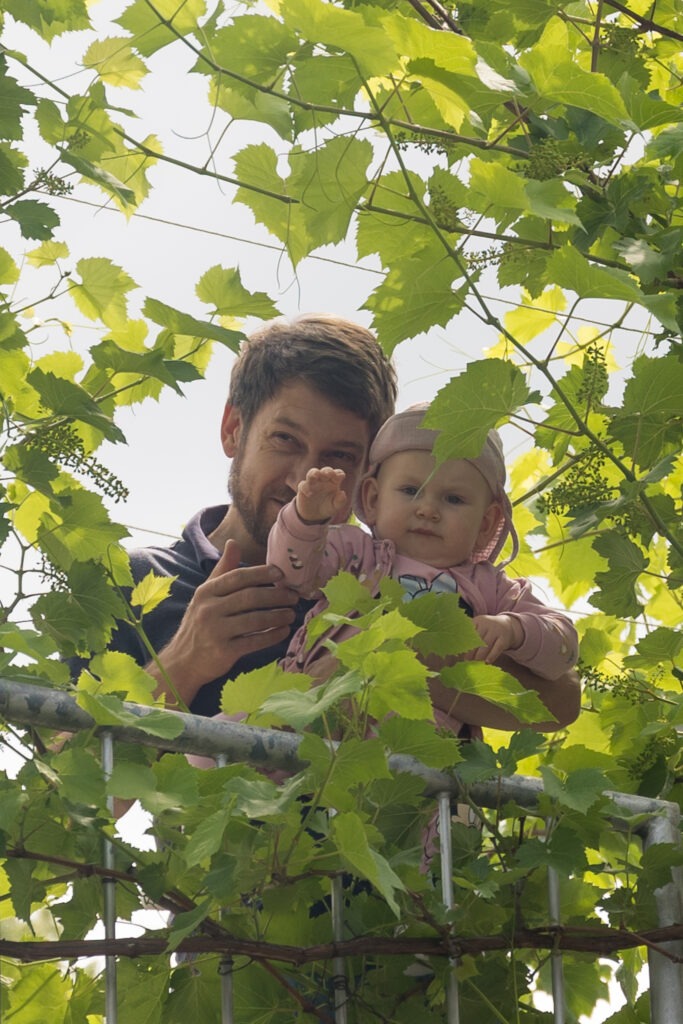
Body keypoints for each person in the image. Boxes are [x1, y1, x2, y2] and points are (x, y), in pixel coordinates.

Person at [104, 315, 580, 730]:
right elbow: (72, 780)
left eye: (341, 457)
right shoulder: (135, 580)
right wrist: (186, 661)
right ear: (234, 429)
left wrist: (384, 651)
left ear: (369, 477)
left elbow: (558, 703)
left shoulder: (376, 576)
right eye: (285, 439)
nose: (305, 478)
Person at [265, 404, 579, 734]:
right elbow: (291, 573)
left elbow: (564, 648)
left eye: (453, 499)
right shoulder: (354, 552)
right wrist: (305, 521)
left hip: (419, 748)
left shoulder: (492, 588)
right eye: (410, 490)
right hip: (319, 719)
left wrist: (514, 629)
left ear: (486, 523)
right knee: (240, 731)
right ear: (373, 499)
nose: (428, 509)